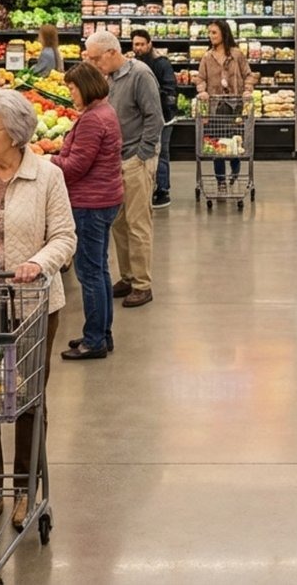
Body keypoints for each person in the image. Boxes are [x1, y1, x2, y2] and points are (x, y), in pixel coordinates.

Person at [0, 89, 76, 533]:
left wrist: (38, 263)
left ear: (16, 134)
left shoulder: (48, 177)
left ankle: (26, 488)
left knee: (27, 398)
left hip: (31, 305)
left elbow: (64, 236)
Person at [82, 30, 162, 309]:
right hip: (114, 161)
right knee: (118, 223)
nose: (94, 64)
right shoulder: (108, 77)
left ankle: (142, 284)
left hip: (135, 160)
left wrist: (142, 154)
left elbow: (154, 117)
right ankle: (127, 276)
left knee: (138, 224)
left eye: (96, 58)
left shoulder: (140, 75)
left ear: (112, 52)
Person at [52, 63, 124, 361]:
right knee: (100, 270)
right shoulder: (105, 111)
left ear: (85, 87)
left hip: (90, 204)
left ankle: (95, 341)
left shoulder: (93, 119)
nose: (70, 93)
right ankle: (101, 333)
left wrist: (47, 160)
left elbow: (75, 167)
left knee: (89, 272)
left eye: (72, 88)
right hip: (105, 199)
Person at [194, 19, 256, 188]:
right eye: (209, 32)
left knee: (235, 142)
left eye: (214, 32)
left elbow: (248, 75)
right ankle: (221, 180)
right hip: (215, 107)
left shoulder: (237, 55)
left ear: (224, 33)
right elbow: (200, 78)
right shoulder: (207, 57)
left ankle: (235, 170)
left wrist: (247, 90)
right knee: (218, 145)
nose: (211, 35)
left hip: (235, 106)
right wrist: (202, 91)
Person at [131, 29, 178, 208]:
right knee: (146, 153)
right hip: (142, 117)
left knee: (162, 152)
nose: (139, 48)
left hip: (165, 116)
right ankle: (147, 188)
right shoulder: (132, 64)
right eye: (136, 44)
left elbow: (170, 89)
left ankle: (163, 191)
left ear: (149, 44)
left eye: (142, 44)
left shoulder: (162, 63)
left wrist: (154, 98)